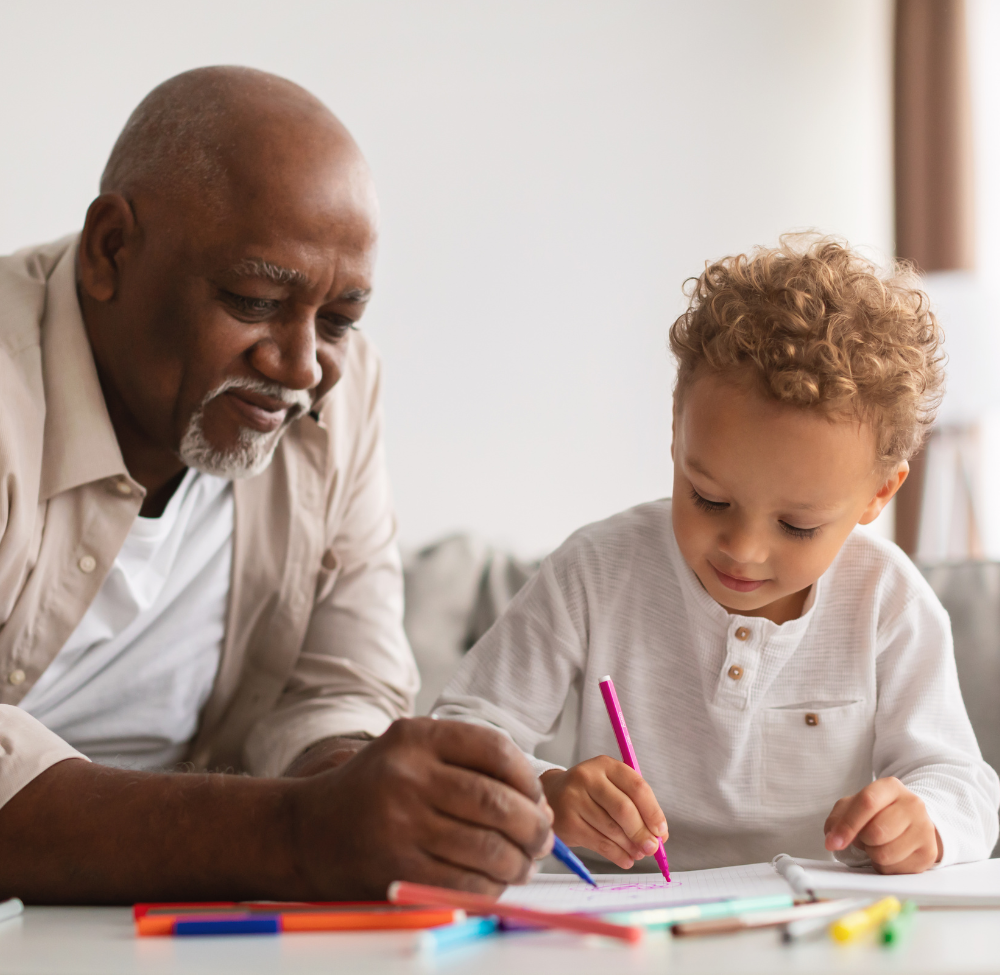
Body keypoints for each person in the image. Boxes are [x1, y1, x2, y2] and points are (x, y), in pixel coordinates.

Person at [0, 66, 551, 903]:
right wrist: (299, 831)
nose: (300, 366)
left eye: (339, 321)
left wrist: (375, 800)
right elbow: (299, 831)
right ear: (112, 250)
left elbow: (339, 684)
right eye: (254, 299)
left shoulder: (343, 389)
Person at [433, 237, 1000, 875]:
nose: (743, 550)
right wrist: (547, 791)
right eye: (708, 499)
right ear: (677, 425)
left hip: (812, 932)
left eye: (796, 524)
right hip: (621, 926)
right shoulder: (595, 572)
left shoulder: (887, 602)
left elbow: (962, 781)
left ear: (878, 494)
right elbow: (461, 735)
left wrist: (923, 820)